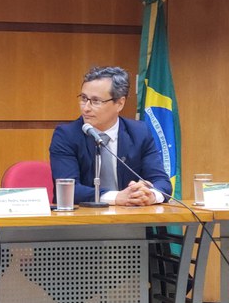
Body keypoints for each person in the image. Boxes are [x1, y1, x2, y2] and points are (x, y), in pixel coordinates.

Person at [49, 66, 172, 206]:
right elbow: (68, 190)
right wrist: (116, 197)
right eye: (84, 98)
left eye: (96, 101)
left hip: (132, 221)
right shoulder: (66, 135)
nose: (86, 108)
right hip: (83, 223)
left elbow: (162, 182)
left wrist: (150, 195)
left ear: (120, 103)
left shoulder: (139, 132)